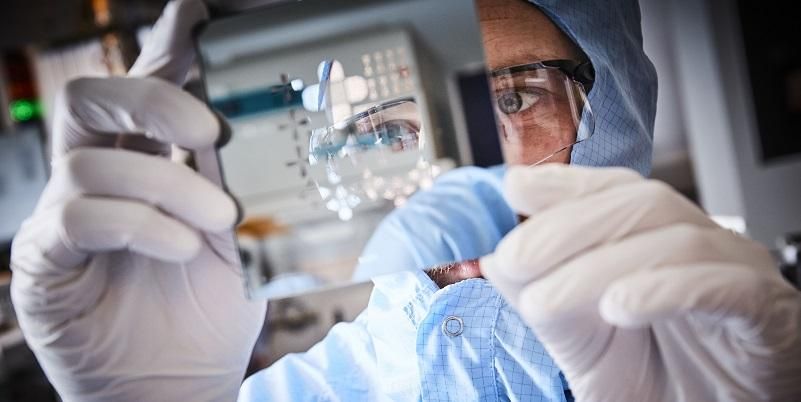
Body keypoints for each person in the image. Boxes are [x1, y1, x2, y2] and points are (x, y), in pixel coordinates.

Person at [9, 0, 801, 401]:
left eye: (518, 99)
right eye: (392, 126)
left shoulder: (749, 343)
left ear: (609, 120)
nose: (453, 173)